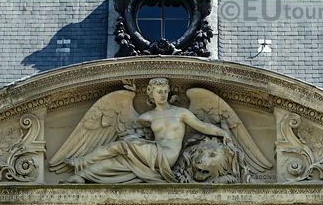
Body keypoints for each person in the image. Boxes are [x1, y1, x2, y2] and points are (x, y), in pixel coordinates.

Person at [64, 78, 232, 183]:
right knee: (119, 163)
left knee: (122, 146)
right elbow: (136, 133)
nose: (163, 95)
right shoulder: (147, 117)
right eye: (159, 92)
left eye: (165, 91)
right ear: (151, 93)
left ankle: (83, 161)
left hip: (167, 156)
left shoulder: (180, 113)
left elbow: (202, 126)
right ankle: (83, 174)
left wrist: (222, 132)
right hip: (152, 155)